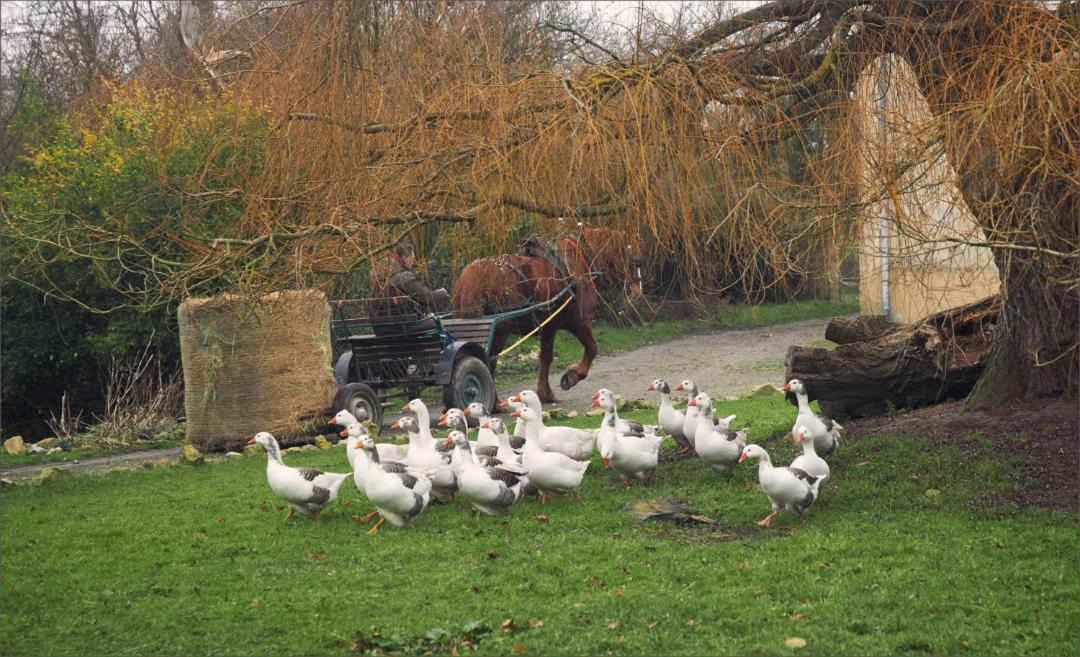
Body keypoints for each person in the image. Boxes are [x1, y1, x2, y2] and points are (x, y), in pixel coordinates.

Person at [369, 240, 449, 336]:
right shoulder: (404, 278)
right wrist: (442, 292)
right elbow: (427, 299)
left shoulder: (378, 279)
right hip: (403, 328)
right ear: (404, 258)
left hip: (380, 329)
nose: (413, 261)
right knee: (434, 320)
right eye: (412, 258)